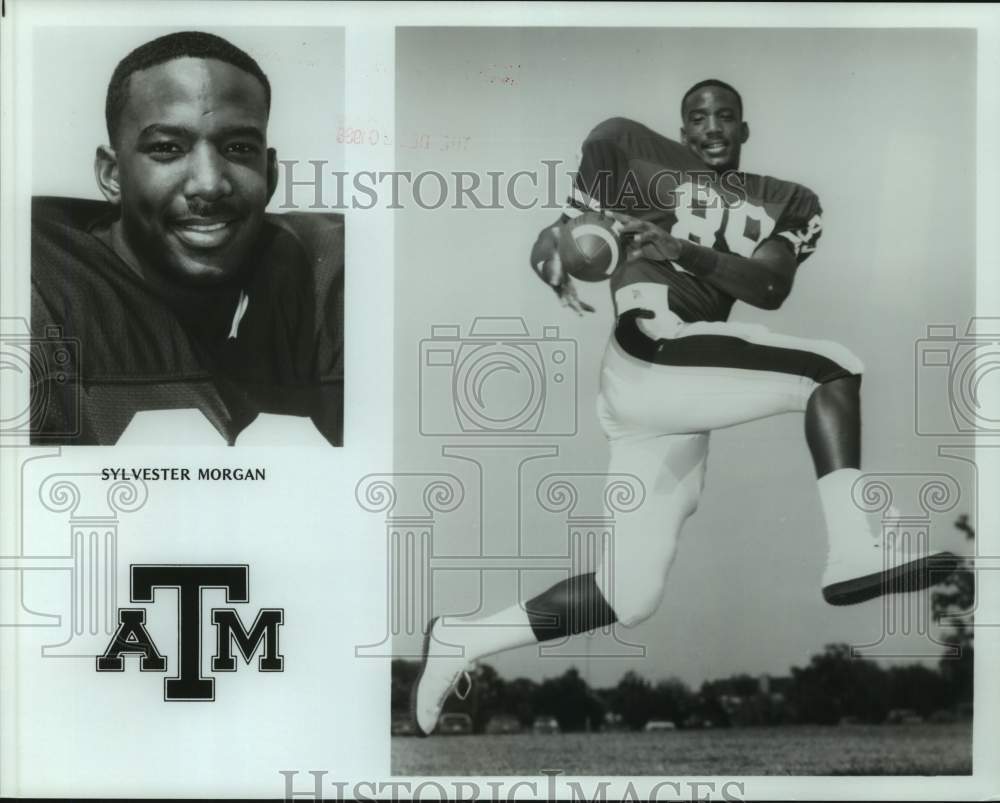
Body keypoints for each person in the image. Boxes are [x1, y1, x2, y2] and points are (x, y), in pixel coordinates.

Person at [411, 79, 955, 735]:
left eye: (725, 115)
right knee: (831, 369)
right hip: (648, 347)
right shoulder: (629, 150)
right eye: (698, 117)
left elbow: (770, 287)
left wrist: (685, 251)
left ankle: (463, 637)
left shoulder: (788, 200)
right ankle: (854, 549)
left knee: (629, 592)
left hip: (675, 392)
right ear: (682, 128)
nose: (711, 127)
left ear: (744, 128)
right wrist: (556, 261)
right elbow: (555, 240)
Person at [30, 31, 343, 446]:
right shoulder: (35, 287)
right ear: (112, 175)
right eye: (167, 148)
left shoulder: (330, 274)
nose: (209, 184)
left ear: (270, 174)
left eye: (238, 148)